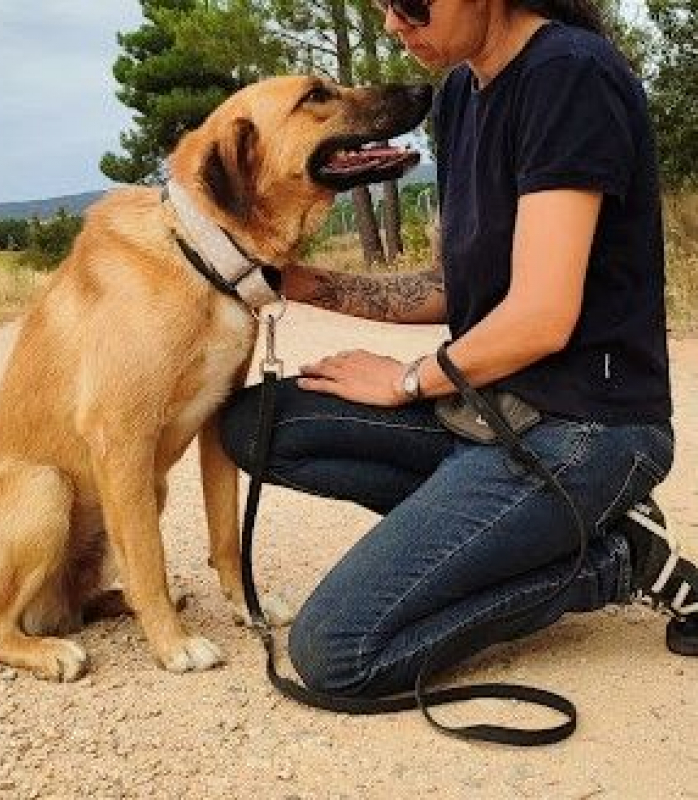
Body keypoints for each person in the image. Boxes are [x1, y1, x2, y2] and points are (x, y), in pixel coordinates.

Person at [219, 0, 698, 699]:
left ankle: (616, 559)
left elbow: (541, 318)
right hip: (485, 411)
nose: (393, 24)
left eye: (411, 3)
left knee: (336, 653)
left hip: (587, 427)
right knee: (255, 425)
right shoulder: (461, 97)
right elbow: (452, 283)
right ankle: (532, 527)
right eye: (381, 5)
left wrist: (408, 380)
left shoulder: (568, 75)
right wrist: (295, 281)